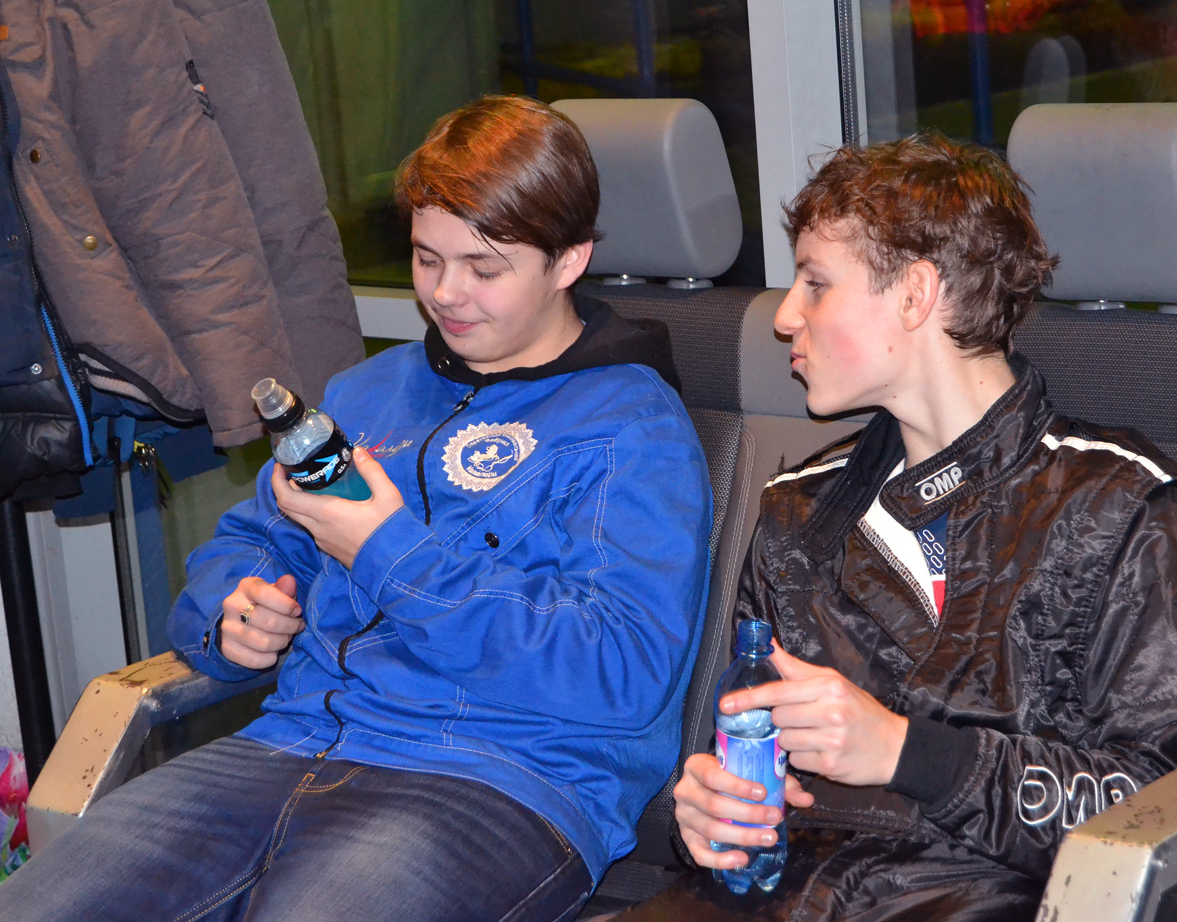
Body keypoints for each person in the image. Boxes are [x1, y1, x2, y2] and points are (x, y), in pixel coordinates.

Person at [0, 96, 713, 922]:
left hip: (497, 779)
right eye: (425, 258)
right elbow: (256, 543)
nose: (446, 294)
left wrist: (387, 550)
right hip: (288, 744)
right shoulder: (369, 392)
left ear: (568, 261)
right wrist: (233, 615)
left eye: (484, 269)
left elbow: (619, 675)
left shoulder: (630, 428)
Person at [616, 135, 1177, 922]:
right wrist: (710, 813)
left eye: (815, 283)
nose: (785, 316)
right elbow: (749, 754)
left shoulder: (1126, 506)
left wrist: (907, 753)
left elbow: (1164, 810)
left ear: (913, 295)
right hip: (786, 895)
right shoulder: (797, 510)